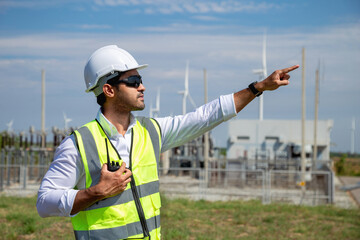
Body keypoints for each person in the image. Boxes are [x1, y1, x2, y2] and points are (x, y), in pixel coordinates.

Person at [37, 45, 299, 239]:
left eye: (141, 80)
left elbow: (205, 117)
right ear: (109, 89)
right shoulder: (79, 143)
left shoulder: (151, 131)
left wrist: (257, 88)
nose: (143, 87)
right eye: (134, 81)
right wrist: (94, 193)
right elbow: (45, 201)